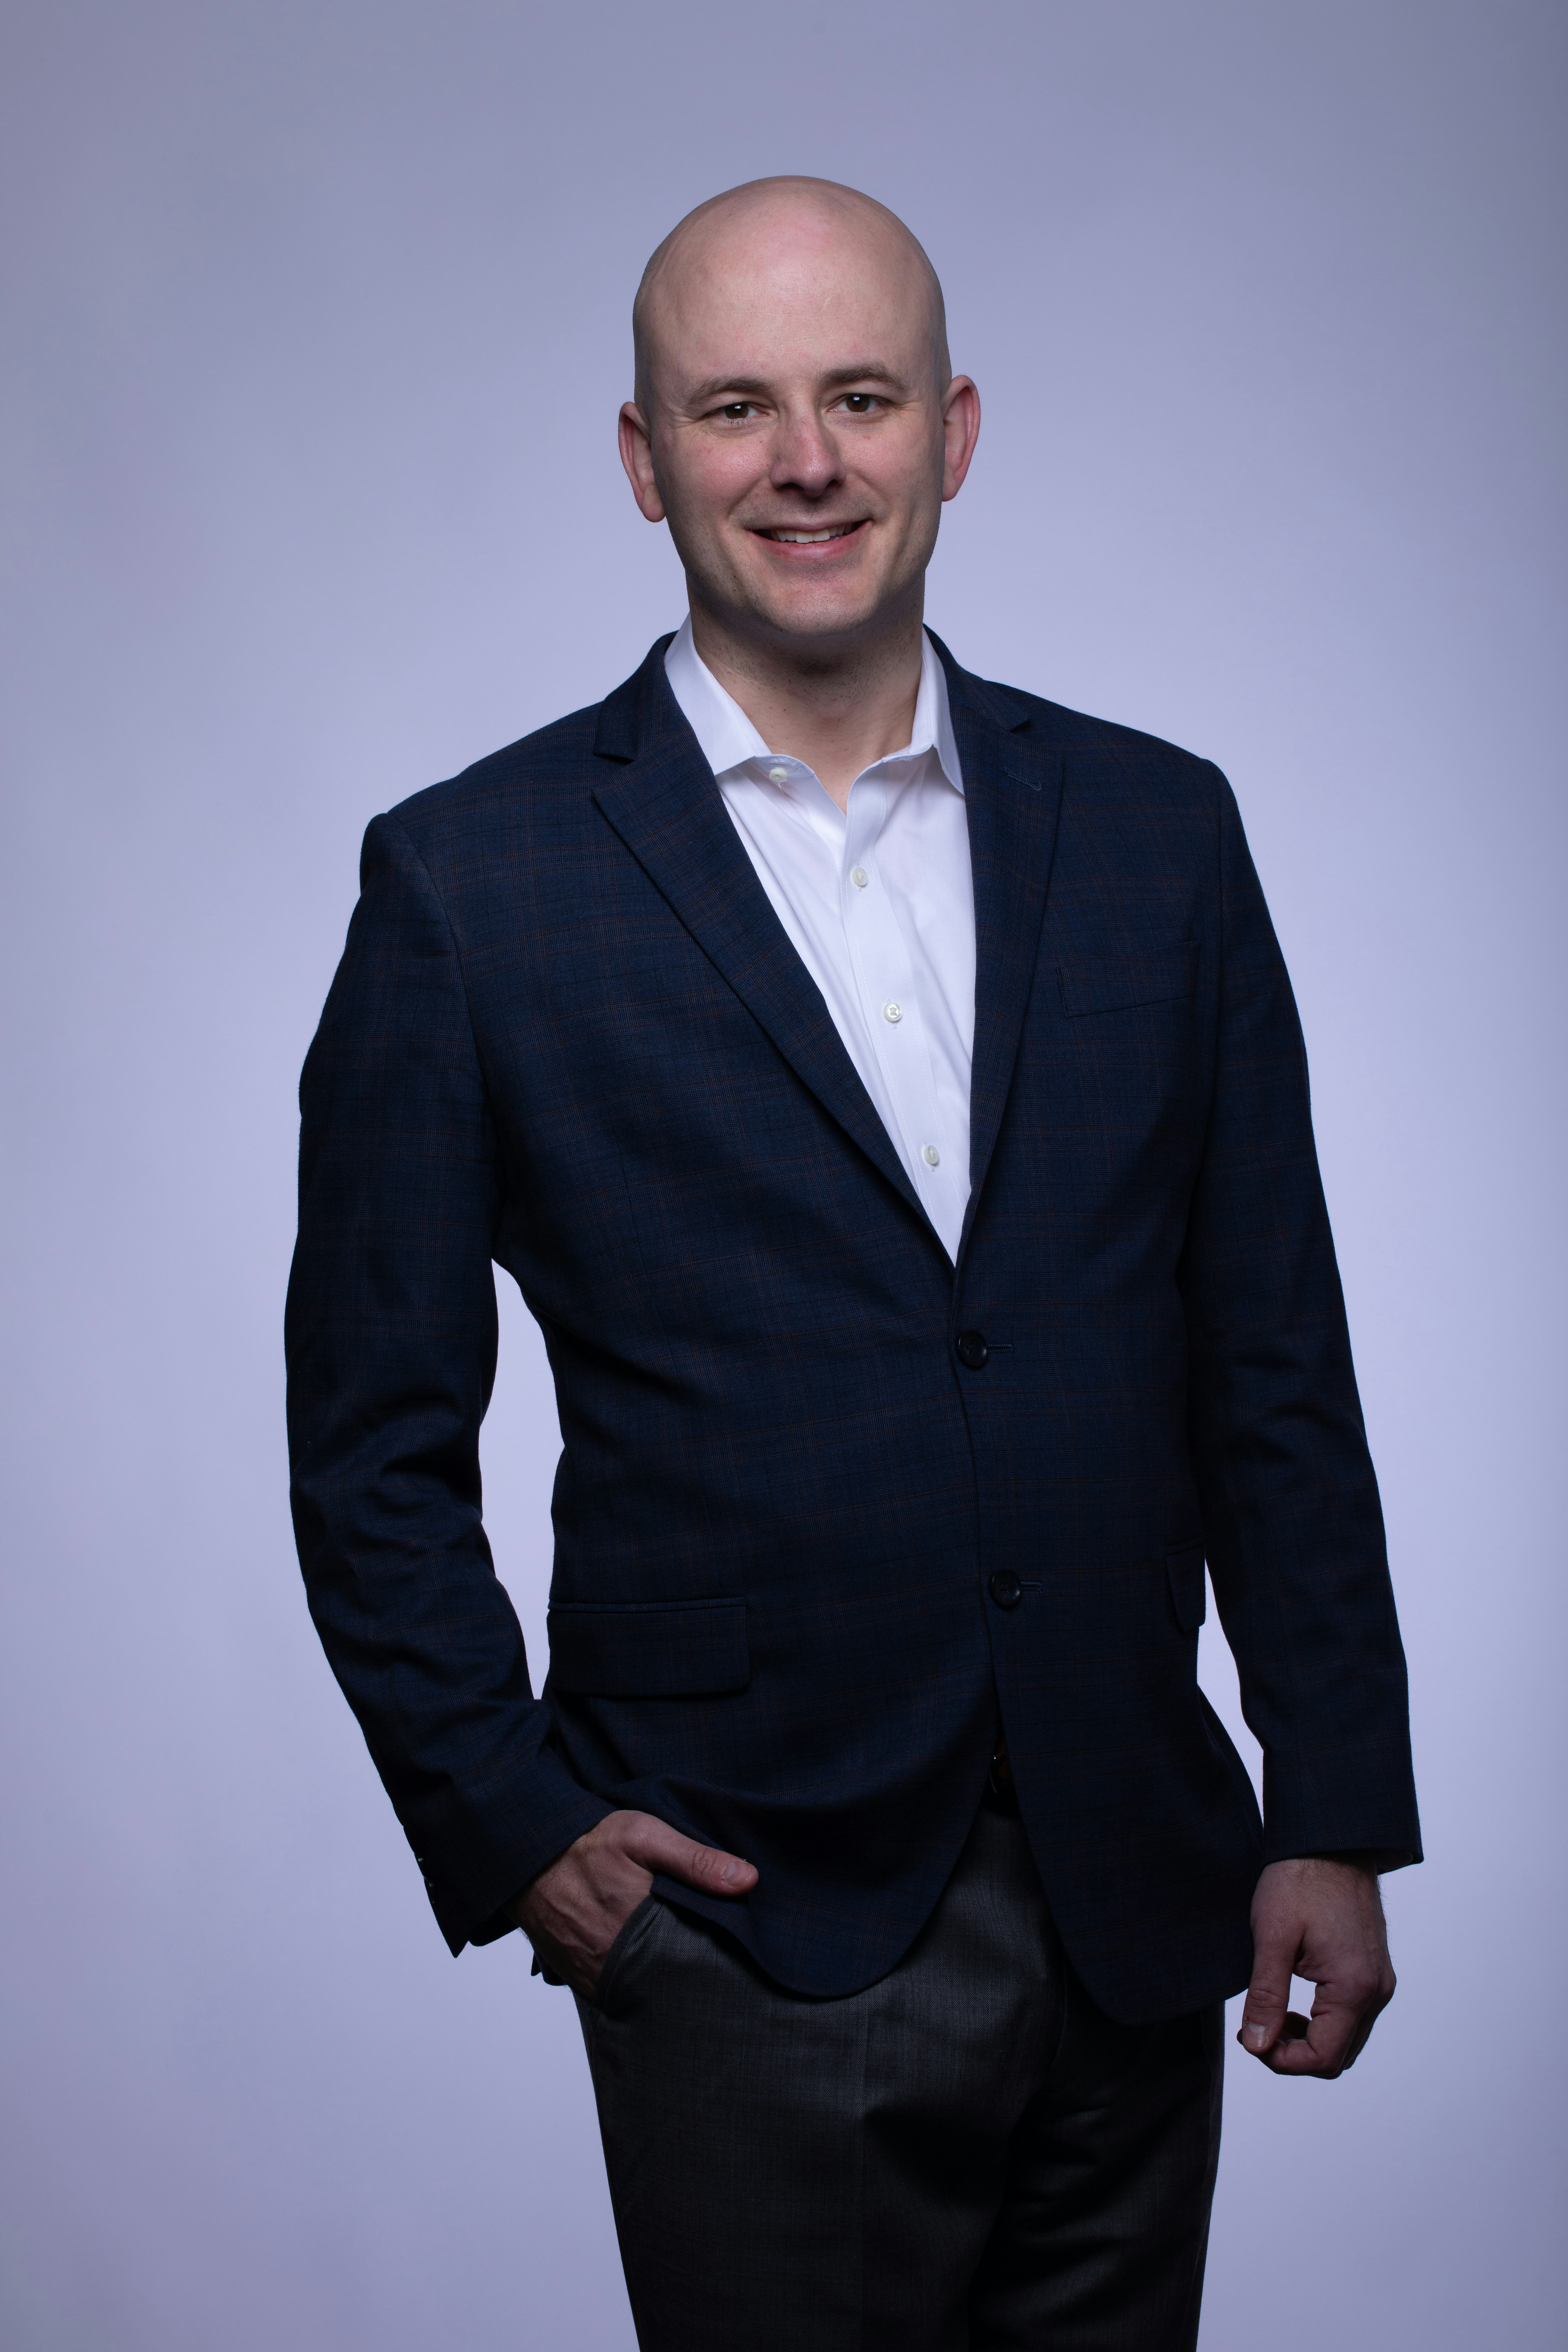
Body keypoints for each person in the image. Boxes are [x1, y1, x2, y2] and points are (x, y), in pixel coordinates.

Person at [285, 176, 1421, 2350]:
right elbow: (371, 1443)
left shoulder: (1161, 832)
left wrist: (1335, 1805)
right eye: (736, 408)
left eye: (863, 398)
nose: (806, 461)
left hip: (1141, 1894)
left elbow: (1271, 1357)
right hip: (741, 1915)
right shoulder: (471, 886)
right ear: (646, 460)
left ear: (954, 433)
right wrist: (509, 1819)